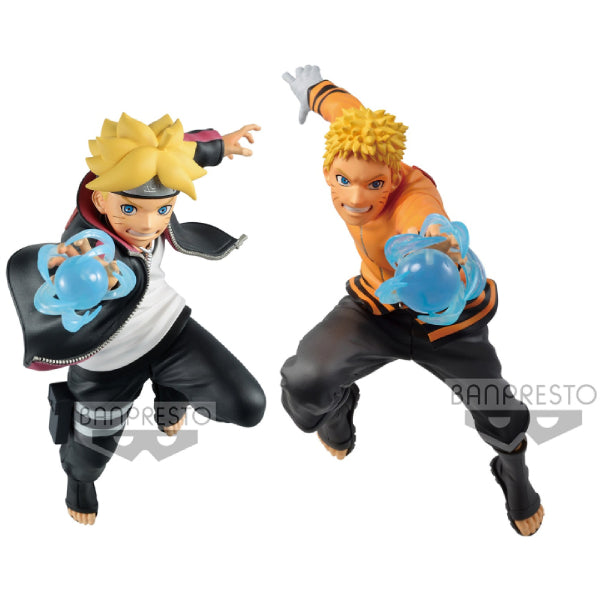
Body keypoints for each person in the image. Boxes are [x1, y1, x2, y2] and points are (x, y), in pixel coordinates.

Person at [280, 66, 543, 536]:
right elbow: (344, 110)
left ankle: (514, 475)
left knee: (500, 412)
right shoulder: (358, 140)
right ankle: (338, 408)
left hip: (448, 322)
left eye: (374, 185)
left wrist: (436, 240)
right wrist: (316, 90)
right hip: (377, 307)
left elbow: (427, 216)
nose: (356, 198)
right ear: (328, 169)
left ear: (392, 174)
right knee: (305, 380)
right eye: (343, 180)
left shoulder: (413, 195)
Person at [7, 113, 266, 524]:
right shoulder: (86, 243)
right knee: (89, 455)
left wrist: (220, 145)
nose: (148, 224)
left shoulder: (154, 176)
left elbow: (179, 150)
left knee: (247, 405)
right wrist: (82, 280)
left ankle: (170, 392)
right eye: (129, 208)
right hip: (106, 363)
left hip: (168, 330)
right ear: (100, 199)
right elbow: (69, 280)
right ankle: (78, 481)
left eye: (164, 209)